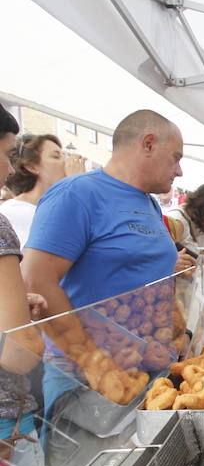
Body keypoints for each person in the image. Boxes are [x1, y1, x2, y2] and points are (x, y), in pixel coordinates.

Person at [22, 109, 195, 421]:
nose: (179, 171)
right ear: (148, 144)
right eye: (175, 157)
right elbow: (36, 282)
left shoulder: (149, 203)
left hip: (148, 372)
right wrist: (94, 364)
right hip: (85, 379)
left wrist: (176, 331)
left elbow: (153, 277)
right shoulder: (76, 194)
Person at [0, 103, 47, 466]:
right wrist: (31, 331)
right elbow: (18, 351)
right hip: (5, 427)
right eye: (7, 152)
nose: (8, 167)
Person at [1, 133, 67, 247]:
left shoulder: (50, 207)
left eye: (64, 156)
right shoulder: (14, 211)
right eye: (56, 157)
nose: (66, 162)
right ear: (32, 167)